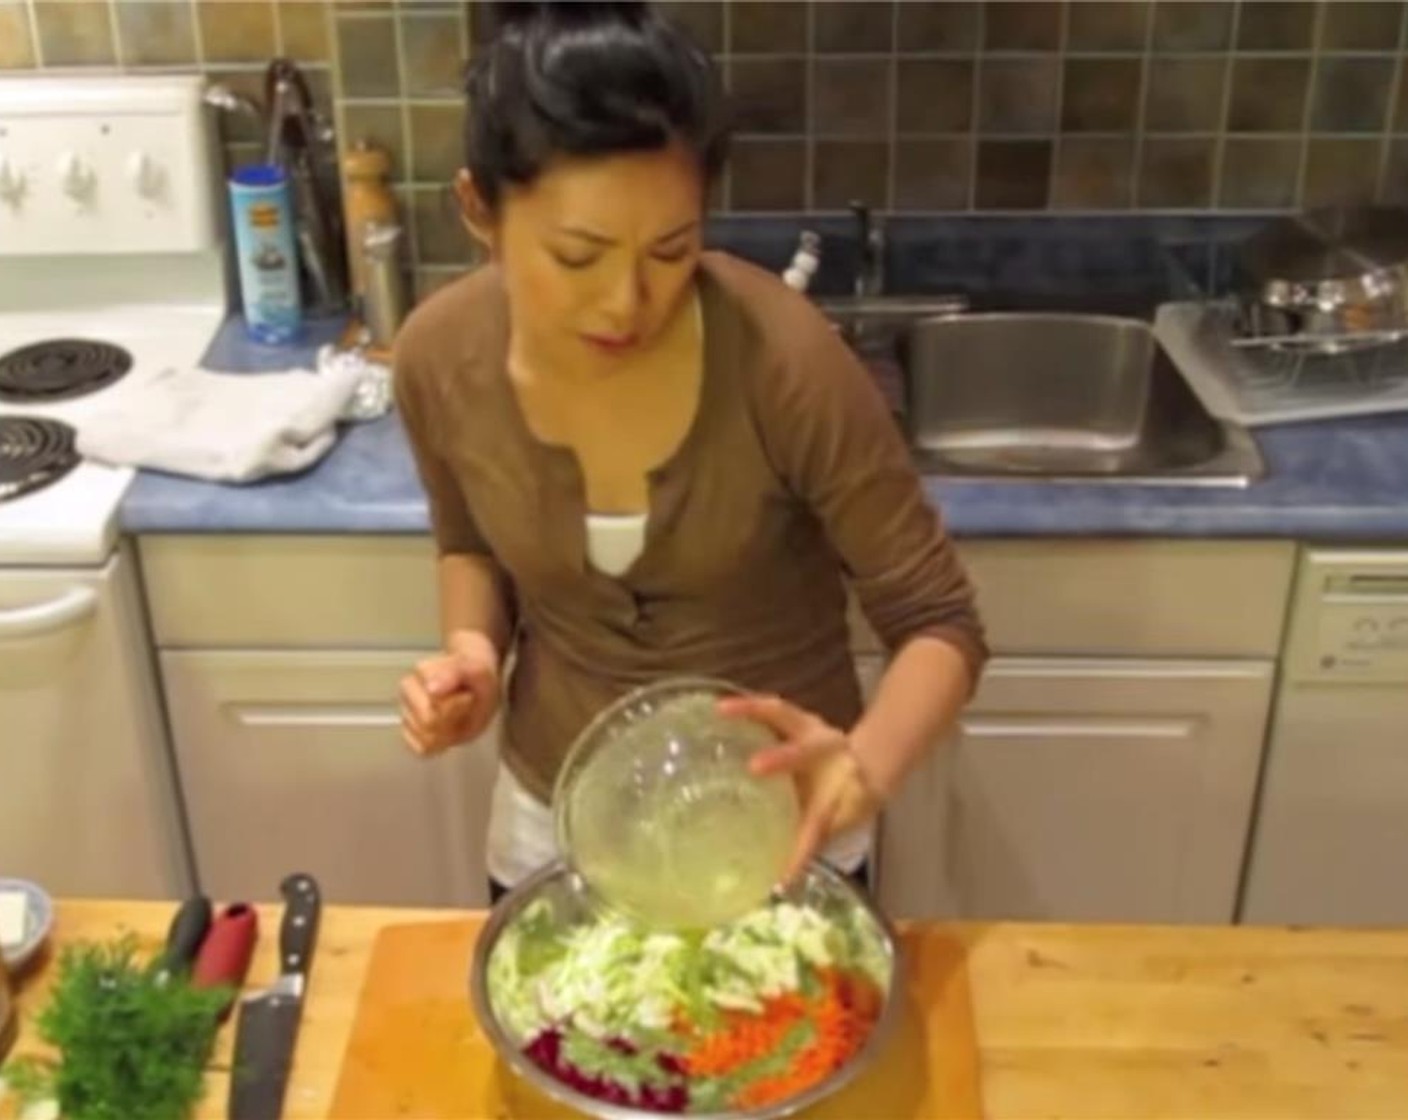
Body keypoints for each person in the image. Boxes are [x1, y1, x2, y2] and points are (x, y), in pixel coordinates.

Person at [395, 0, 987, 904]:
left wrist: (863, 767)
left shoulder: (784, 360)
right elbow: (469, 542)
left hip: (779, 831)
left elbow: (942, 623)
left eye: (670, 249)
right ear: (480, 209)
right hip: (554, 824)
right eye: (579, 255)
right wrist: (472, 655)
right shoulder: (439, 358)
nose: (628, 301)